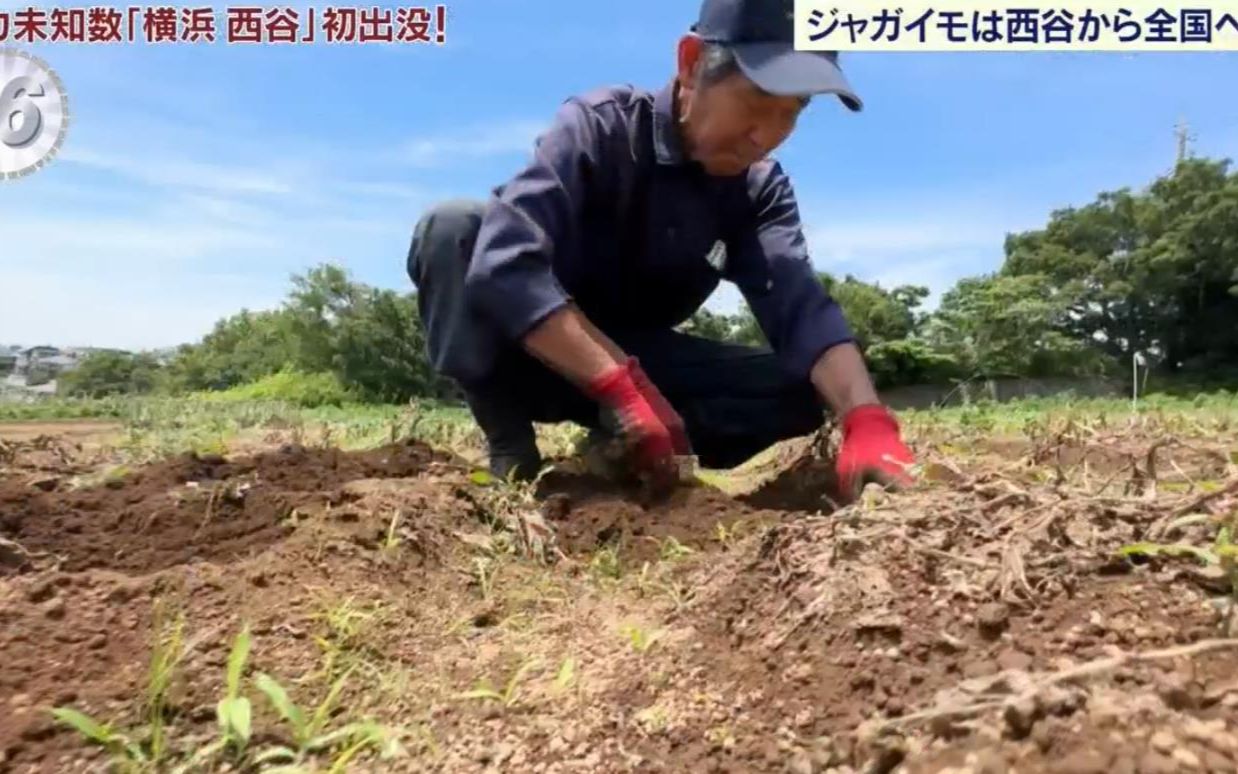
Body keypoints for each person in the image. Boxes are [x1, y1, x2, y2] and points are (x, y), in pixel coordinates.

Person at [406, 0, 915, 500]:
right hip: (534, 348)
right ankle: (510, 448)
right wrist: (619, 388)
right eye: (759, 101)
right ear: (692, 63)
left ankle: (619, 450)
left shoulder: (757, 191)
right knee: (455, 228)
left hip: (647, 363)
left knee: (810, 385)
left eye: (794, 112)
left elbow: (801, 310)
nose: (769, 136)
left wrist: (865, 418)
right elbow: (506, 265)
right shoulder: (600, 127)